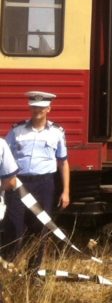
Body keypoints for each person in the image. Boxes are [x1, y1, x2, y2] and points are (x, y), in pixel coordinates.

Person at [1, 91, 69, 269]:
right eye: (34, 106)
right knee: (14, 226)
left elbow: (63, 162)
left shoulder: (57, 133)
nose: (37, 110)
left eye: (41, 107)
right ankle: (7, 267)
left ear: (48, 108)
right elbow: (3, 154)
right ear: (29, 107)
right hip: (19, 184)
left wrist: (66, 191)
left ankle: (34, 272)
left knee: (41, 228)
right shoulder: (16, 131)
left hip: (45, 184)